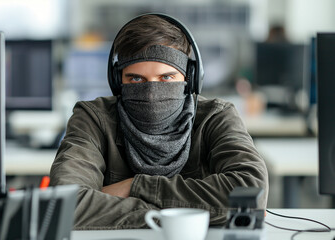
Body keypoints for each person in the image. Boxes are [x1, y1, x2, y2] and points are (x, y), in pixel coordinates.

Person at [50, 13, 268, 230]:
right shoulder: (93, 118)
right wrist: (178, 214)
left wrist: (136, 187)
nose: (152, 93)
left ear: (189, 78)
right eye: (136, 79)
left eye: (166, 78)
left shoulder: (216, 116)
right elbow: (66, 204)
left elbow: (250, 191)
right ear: (118, 81)